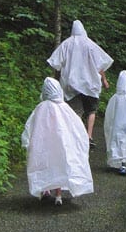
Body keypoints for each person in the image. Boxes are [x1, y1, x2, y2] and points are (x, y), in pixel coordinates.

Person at [21, 77, 93, 205]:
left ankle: (46, 189)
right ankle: (58, 196)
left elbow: (30, 125)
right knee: (60, 165)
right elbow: (76, 128)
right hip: (61, 144)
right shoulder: (65, 109)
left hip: (43, 145)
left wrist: (27, 140)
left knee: (45, 164)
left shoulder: (41, 108)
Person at [47, 19, 113, 147]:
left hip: (71, 84)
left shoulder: (66, 45)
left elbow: (56, 65)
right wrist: (104, 80)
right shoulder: (90, 45)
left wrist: (56, 80)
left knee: (75, 111)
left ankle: (76, 135)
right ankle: (89, 136)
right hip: (90, 84)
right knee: (91, 111)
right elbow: (99, 65)